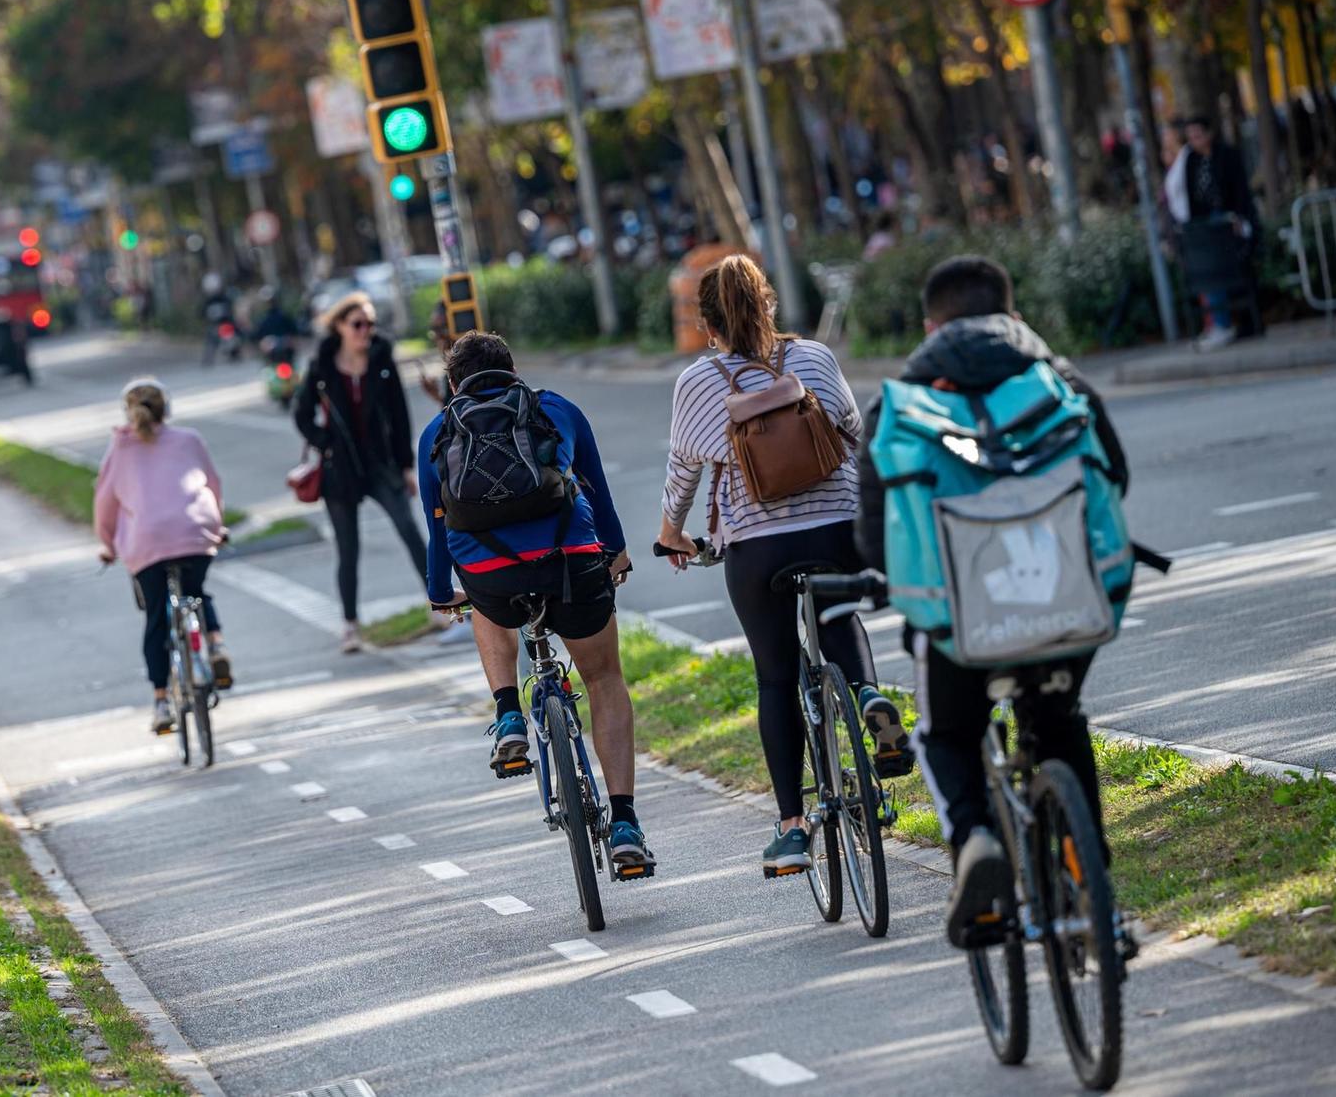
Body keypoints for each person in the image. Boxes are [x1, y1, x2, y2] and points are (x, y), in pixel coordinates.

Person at [852, 255, 1130, 949]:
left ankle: (975, 839)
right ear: (1012, 316)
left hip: (959, 626)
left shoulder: (897, 406)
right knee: (1058, 719)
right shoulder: (1059, 382)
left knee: (945, 733)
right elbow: (1114, 475)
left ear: (930, 326)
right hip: (1067, 613)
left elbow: (871, 537)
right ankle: (1092, 888)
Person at [655, 254, 908, 877]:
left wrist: (671, 535)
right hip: (836, 527)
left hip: (760, 546)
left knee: (775, 676)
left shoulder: (698, 382)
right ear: (769, 305)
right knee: (838, 616)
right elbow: (851, 432)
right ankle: (868, 695)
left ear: (709, 325)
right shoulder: (815, 359)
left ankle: (793, 828)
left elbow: (684, 473)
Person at [419, 330, 652, 872]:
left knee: (482, 596)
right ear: (514, 371)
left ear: (454, 383)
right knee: (604, 678)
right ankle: (623, 823)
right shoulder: (557, 410)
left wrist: (440, 592)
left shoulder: (438, 429)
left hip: (489, 575)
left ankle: (508, 716)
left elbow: (437, 526)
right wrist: (614, 553)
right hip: (569, 561)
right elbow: (596, 489)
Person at [292, 291, 432, 652]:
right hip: (340, 471)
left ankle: (438, 603)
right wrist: (325, 443)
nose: (365, 330)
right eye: (357, 324)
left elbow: (400, 415)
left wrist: (405, 466)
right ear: (339, 326)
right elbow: (301, 413)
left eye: (370, 323)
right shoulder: (322, 364)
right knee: (348, 549)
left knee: (410, 529)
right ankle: (350, 625)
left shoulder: (382, 359)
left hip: (381, 464)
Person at [93, 377, 232, 734]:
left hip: (148, 544)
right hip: (195, 533)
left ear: (128, 411)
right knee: (195, 592)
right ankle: (214, 645)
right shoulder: (190, 439)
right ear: (166, 408)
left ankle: (160, 701)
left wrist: (108, 545)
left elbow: (105, 504)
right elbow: (212, 484)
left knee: (157, 617)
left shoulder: (121, 448)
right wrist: (218, 526)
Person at [1165, 114, 1256, 352]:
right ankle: (1217, 323)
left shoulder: (1226, 155)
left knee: (1224, 272)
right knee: (1207, 271)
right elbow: (1189, 196)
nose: (1195, 140)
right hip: (1204, 227)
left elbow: (1239, 190)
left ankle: (1227, 323)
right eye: (1191, 136)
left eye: (1198, 135)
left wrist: (1239, 218)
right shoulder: (1192, 161)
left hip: (1228, 222)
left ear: (1209, 134)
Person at [200, 274, 239, 365]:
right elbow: (202, 313)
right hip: (214, 326)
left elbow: (230, 311)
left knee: (234, 336)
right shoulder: (208, 301)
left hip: (226, 324)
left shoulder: (224, 298)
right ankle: (208, 358)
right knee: (210, 339)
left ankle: (235, 353)